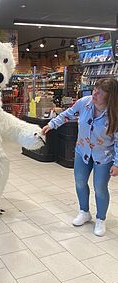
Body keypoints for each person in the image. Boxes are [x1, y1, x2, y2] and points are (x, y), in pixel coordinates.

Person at [42, 78, 118, 237]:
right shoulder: (84, 102)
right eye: (95, 88)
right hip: (82, 151)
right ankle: (84, 211)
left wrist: (117, 163)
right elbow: (67, 114)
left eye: (100, 92)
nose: (95, 93)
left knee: (100, 188)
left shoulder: (114, 114)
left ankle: (101, 219)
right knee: (80, 182)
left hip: (103, 157)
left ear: (110, 96)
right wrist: (52, 124)